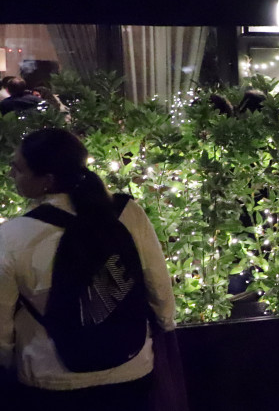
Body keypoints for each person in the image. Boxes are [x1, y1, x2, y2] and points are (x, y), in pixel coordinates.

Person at [0, 128, 175, 410]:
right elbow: (158, 286)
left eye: (18, 169)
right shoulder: (127, 213)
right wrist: (165, 328)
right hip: (132, 368)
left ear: (47, 180)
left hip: (52, 380)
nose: (11, 175)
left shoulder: (12, 235)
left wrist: (8, 364)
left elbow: (1, 323)